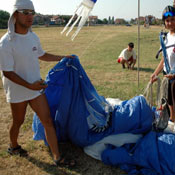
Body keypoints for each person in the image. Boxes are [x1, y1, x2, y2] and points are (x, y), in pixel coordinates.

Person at [0, 0, 75, 167]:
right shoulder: (6, 43)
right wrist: (29, 86)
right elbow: (7, 72)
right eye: (25, 12)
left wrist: (63, 57)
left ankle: (57, 157)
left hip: (35, 87)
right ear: (15, 15)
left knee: (47, 120)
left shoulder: (33, 36)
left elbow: (41, 54)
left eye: (32, 13)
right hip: (18, 90)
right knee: (18, 122)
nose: (29, 16)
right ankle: (13, 146)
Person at [150, 5, 175, 123]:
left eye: (172, 20)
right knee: (168, 101)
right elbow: (164, 59)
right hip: (167, 75)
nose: (170, 23)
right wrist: (155, 73)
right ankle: (171, 121)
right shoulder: (165, 38)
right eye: (167, 21)